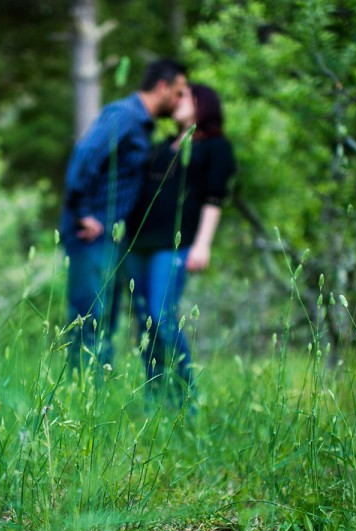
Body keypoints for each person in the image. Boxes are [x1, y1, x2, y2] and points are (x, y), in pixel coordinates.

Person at [59, 59, 188, 375]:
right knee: (90, 319)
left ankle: (92, 405)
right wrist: (81, 213)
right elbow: (86, 154)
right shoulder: (124, 116)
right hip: (90, 237)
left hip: (109, 239)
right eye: (179, 92)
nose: (180, 99)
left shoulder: (141, 125)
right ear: (162, 87)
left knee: (105, 321)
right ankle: (76, 401)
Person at [124, 83, 236, 402]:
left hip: (175, 245)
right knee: (145, 323)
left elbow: (214, 198)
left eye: (184, 95)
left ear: (203, 104)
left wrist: (203, 244)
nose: (176, 99)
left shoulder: (215, 147)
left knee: (162, 316)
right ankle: (155, 397)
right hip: (138, 243)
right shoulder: (161, 146)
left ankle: (187, 397)